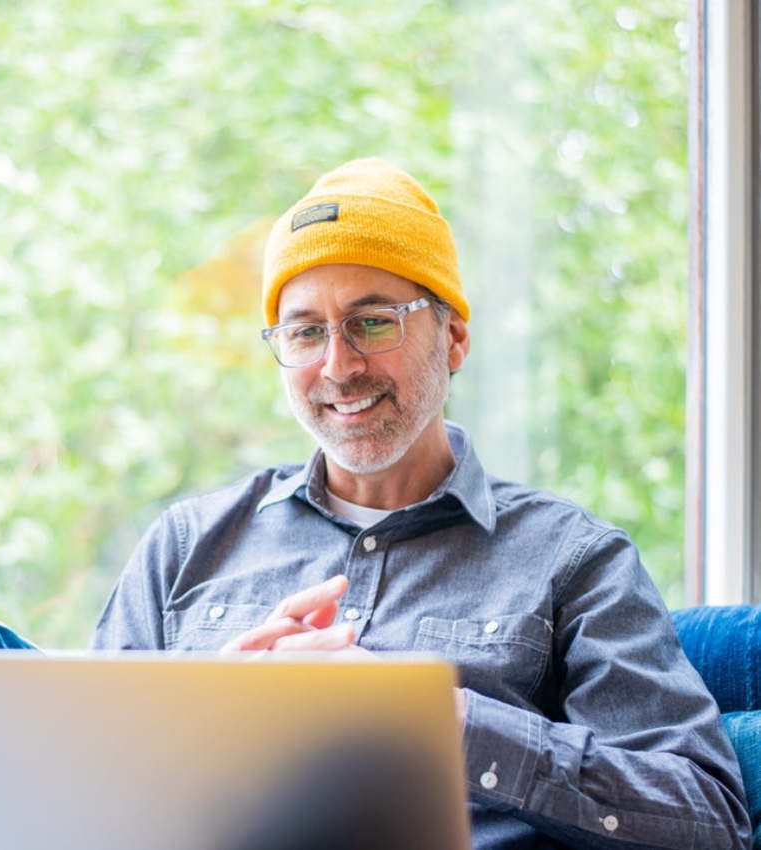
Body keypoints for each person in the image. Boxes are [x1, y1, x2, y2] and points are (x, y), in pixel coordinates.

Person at [91, 157, 752, 850]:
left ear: (454, 338)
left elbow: (708, 820)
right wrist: (197, 732)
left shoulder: (575, 560)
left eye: (373, 323)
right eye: (306, 332)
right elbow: (81, 790)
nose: (339, 366)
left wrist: (437, 721)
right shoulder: (185, 546)